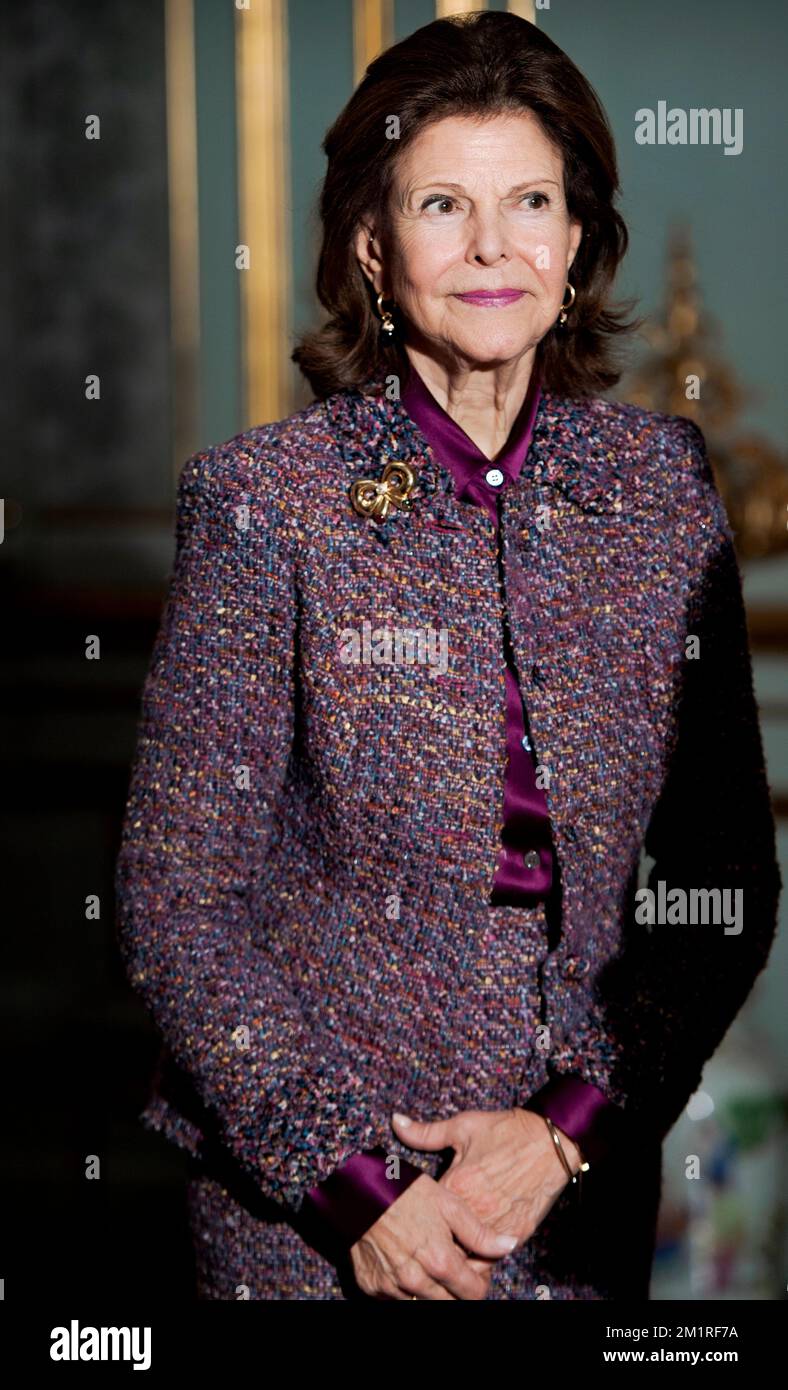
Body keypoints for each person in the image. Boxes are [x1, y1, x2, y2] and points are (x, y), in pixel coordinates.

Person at [114, 11, 781, 1300]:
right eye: (440, 204)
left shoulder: (659, 494)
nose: (492, 247)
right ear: (372, 241)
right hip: (312, 1225)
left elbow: (722, 878)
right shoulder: (268, 504)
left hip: (575, 1203)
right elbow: (177, 901)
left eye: (531, 200)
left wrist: (569, 1129)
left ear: (577, 238)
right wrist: (354, 1189)